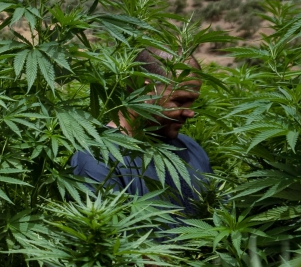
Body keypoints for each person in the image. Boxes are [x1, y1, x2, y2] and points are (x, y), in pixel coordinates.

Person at [71, 48, 211, 215]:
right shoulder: (98, 157)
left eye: (192, 102)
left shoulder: (191, 149)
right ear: (144, 91)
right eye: (179, 101)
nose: (191, 112)